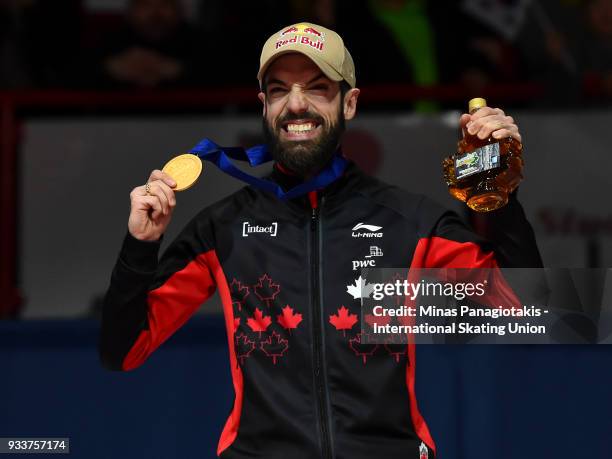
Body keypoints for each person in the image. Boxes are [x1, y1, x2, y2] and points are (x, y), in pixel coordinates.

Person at [100, 22, 542, 459]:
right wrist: (141, 243)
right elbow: (124, 351)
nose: (296, 105)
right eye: (278, 90)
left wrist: (497, 198)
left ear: (349, 103)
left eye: (316, 88)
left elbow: (526, 313)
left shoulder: (411, 224)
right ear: (263, 105)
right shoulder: (224, 229)